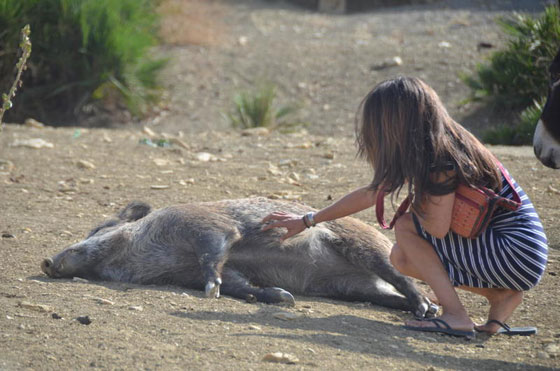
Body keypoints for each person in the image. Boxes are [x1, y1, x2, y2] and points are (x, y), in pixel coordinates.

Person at [261, 76, 548, 338]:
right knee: (401, 259)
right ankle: (499, 297)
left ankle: (455, 316)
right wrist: (308, 219)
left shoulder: (440, 160)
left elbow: (435, 228)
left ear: (398, 124)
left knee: (406, 226)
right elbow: (371, 193)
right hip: (521, 249)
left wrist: (411, 199)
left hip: (515, 250)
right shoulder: (448, 142)